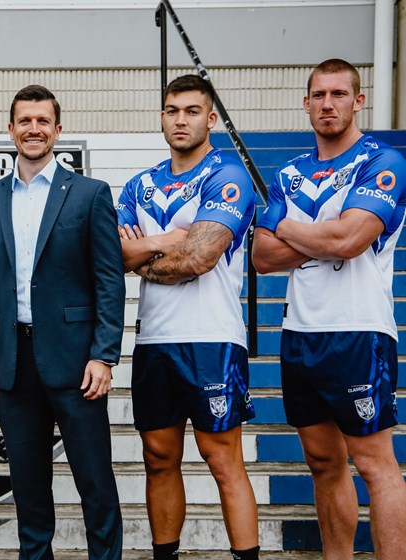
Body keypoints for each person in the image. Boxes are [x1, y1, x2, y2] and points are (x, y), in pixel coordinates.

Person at [251, 59, 406, 559]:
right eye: (319, 95)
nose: (328, 104)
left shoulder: (383, 162)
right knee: (322, 462)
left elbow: (350, 240)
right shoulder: (290, 174)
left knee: (376, 464)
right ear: (306, 103)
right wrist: (328, 236)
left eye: (339, 94)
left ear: (358, 102)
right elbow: (261, 257)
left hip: (359, 332)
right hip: (300, 332)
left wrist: (289, 226)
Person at [0, 85, 125, 560]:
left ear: (58, 129)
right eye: (24, 121)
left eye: (42, 121)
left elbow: (108, 281)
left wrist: (103, 354)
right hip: (14, 362)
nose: (33, 129)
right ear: (10, 129)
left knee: (94, 480)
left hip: (76, 361)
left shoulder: (89, 194)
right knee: (29, 485)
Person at [117, 74, 259, 560]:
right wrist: (167, 240)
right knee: (158, 459)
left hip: (211, 339)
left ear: (211, 118)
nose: (181, 119)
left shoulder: (228, 174)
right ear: (162, 116)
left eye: (192, 111)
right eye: (173, 110)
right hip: (154, 340)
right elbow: (113, 257)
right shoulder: (140, 184)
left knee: (223, 461)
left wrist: (146, 255)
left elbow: (200, 259)